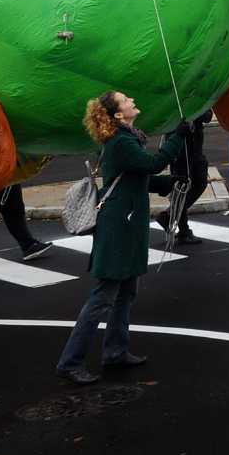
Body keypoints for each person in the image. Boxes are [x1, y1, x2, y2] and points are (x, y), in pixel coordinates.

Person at [55, 92, 185, 386]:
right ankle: (70, 361)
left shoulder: (126, 139)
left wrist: (169, 183)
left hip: (126, 224)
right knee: (102, 298)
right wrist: (177, 137)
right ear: (117, 115)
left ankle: (115, 350)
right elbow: (151, 164)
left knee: (126, 292)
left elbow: (138, 176)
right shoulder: (121, 142)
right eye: (125, 99)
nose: (131, 99)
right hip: (118, 227)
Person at [164, 110, 212, 247]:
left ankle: (170, 215)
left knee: (200, 182)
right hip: (180, 145)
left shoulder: (197, 98)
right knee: (182, 186)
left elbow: (207, 116)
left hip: (195, 145)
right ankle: (183, 230)